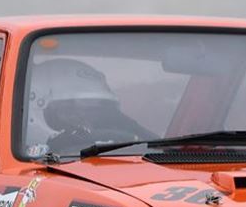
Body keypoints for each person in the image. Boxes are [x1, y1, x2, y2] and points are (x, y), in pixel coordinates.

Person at [24, 58, 153, 157]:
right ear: (32, 111)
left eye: (98, 111)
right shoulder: (23, 176)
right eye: (71, 110)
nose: (86, 119)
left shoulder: (130, 150)